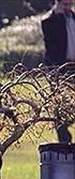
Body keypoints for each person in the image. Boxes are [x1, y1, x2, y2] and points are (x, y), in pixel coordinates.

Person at [42, 0, 75, 143]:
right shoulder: (49, 21)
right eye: (65, 4)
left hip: (74, 67)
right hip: (59, 68)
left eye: (70, 4)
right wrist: (58, 16)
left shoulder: (73, 18)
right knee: (60, 104)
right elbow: (52, 41)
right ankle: (63, 138)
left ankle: (65, 128)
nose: (68, 8)